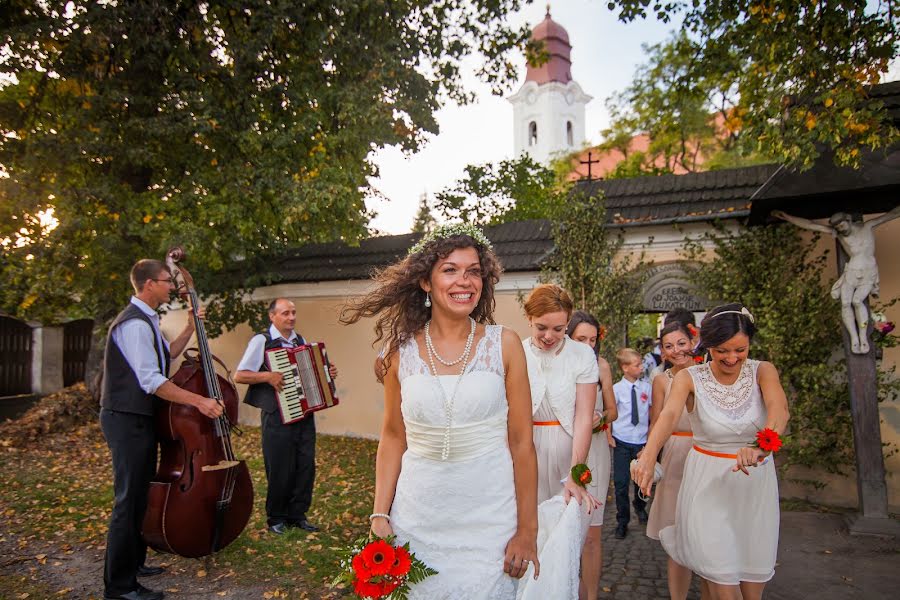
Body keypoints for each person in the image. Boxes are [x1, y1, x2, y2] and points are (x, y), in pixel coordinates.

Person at [340, 223, 539, 598]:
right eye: (450, 269)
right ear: (426, 282)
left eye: (474, 271)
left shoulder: (506, 345)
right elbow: (393, 437)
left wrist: (527, 530)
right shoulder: (399, 353)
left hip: (490, 520)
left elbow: (522, 444)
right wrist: (380, 514)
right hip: (418, 517)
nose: (465, 281)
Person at [633, 304, 790, 600]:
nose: (732, 358)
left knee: (750, 587)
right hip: (706, 485)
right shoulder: (689, 378)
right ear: (708, 347)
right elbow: (667, 416)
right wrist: (649, 454)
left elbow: (780, 411)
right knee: (720, 579)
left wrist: (761, 447)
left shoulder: (763, 371)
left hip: (753, 486)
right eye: (722, 351)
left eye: (740, 350)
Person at [100, 259, 223, 600]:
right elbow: (152, 380)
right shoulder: (134, 324)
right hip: (125, 419)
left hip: (138, 419)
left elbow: (164, 356)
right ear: (148, 284)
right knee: (128, 499)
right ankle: (119, 586)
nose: (172, 286)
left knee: (140, 495)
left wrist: (188, 328)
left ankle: (134, 563)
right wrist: (199, 402)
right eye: (167, 281)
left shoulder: (147, 321)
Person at [518, 285, 601, 599]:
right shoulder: (516, 350)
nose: (549, 336)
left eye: (559, 328)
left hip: (569, 449)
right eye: (541, 327)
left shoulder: (582, 355)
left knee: (565, 545)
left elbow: (583, 417)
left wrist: (576, 473)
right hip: (526, 450)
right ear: (529, 318)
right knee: (527, 534)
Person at [234, 298, 338, 535]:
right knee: (280, 466)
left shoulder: (300, 341)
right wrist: (267, 377)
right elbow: (240, 375)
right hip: (276, 415)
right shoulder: (262, 340)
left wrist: (327, 371)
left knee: (304, 466)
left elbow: (312, 373)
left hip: (303, 414)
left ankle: (297, 515)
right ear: (272, 316)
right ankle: (276, 518)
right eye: (285, 313)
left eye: (293, 313)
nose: (291, 317)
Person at [773, 207, 900, 354]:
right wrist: (787, 216)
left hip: (868, 270)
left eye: (842, 226)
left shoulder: (867, 226)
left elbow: (891, 215)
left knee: (857, 301)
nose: (841, 229)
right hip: (851, 270)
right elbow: (810, 224)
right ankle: (854, 338)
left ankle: (863, 337)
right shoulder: (839, 234)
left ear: (849, 221)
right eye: (838, 227)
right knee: (845, 303)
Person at [645, 321, 705, 600]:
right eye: (668, 346)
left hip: (705, 451)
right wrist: (648, 459)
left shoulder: (709, 373)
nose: (676, 350)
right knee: (675, 532)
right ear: (663, 352)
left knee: (706, 531)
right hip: (674, 454)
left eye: (681, 343)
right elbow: (657, 422)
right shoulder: (661, 380)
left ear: (693, 341)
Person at [566, 310, 618, 600]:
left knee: (592, 534)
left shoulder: (601, 366)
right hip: (564, 448)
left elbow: (614, 410)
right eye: (580, 338)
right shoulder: (558, 364)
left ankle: (591, 595)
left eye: (592, 339)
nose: (587, 345)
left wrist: (601, 417)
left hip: (595, 452)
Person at [610, 347, 652, 539]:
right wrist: (609, 435)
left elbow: (651, 412)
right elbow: (611, 414)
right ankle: (622, 520)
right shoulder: (616, 390)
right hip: (622, 441)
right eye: (637, 365)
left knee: (641, 480)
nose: (641, 367)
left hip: (641, 442)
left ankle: (640, 505)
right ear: (625, 368)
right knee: (620, 482)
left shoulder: (647, 388)